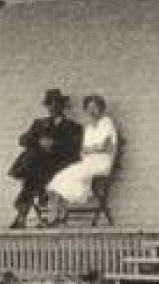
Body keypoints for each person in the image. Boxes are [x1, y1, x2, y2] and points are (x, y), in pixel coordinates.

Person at [7, 88, 83, 228]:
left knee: (33, 178)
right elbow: (22, 140)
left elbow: (74, 148)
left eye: (57, 104)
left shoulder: (73, 126)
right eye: (50, 104)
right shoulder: (39, 124)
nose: (53, 108)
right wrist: (39, 141)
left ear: (62, 106)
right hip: (40, 166)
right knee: (35, 173)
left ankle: (22, 215)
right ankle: (27, 211)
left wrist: (55, 144)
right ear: (47, 106)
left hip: (59, 164)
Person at [42, 95, 119, 226]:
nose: (92, 111)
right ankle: (59, 216)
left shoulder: (107, 123)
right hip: (88, 162)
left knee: (71, 177)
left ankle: (56, 217)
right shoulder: (88, 128)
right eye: (89, 108)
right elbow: (84, 150)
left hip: (102, 163)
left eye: (95, 107)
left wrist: (91, 149)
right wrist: (92, 149)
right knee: (59, 178)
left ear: (101, 108)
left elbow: (108, 148)